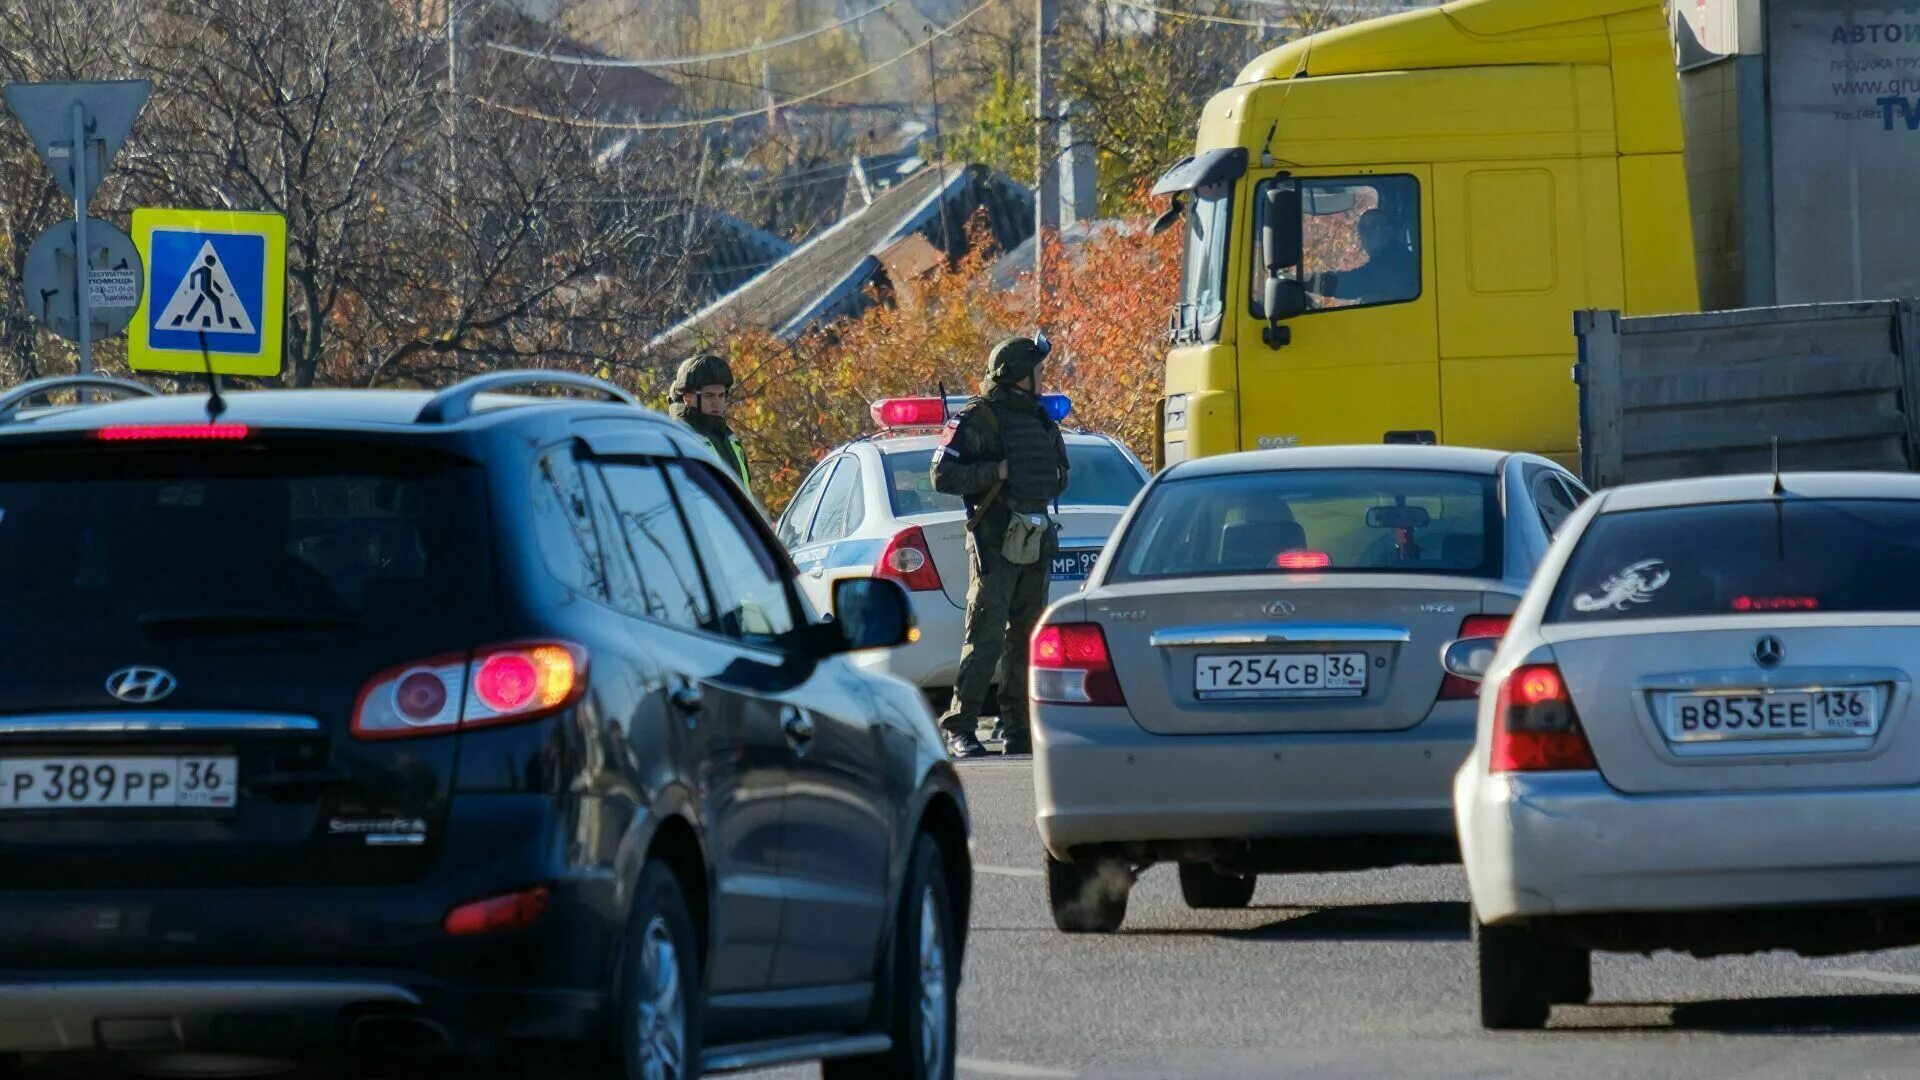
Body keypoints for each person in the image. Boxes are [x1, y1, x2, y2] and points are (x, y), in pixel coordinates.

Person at [931, 334, 1070, 759]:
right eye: (1037, 371)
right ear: (1017, 376)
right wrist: (999, 470)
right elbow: (942, 475)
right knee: (985, 638)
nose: (1043, 378)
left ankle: (1019, 728)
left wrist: (1038, 474)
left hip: (1035, 539)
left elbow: (1060, 474)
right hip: (994, 544)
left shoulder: (1041, 419)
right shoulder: (978, 419)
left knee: (1027, 640)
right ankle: (961, 726)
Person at [668, 353, 753, 499]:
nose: (717, 402)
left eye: (721, 395)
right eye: (709, 395)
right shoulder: (681, 439)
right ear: (687, 398)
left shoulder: (728, 436)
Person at [1308, 208, 1418, 306]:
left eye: (1375, 227)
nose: (1367, 233)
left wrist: (1304, 281)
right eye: (1362, 228)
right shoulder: (1392, 256)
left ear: (1390, 231)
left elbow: (1349, 284)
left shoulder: (1395, 262)